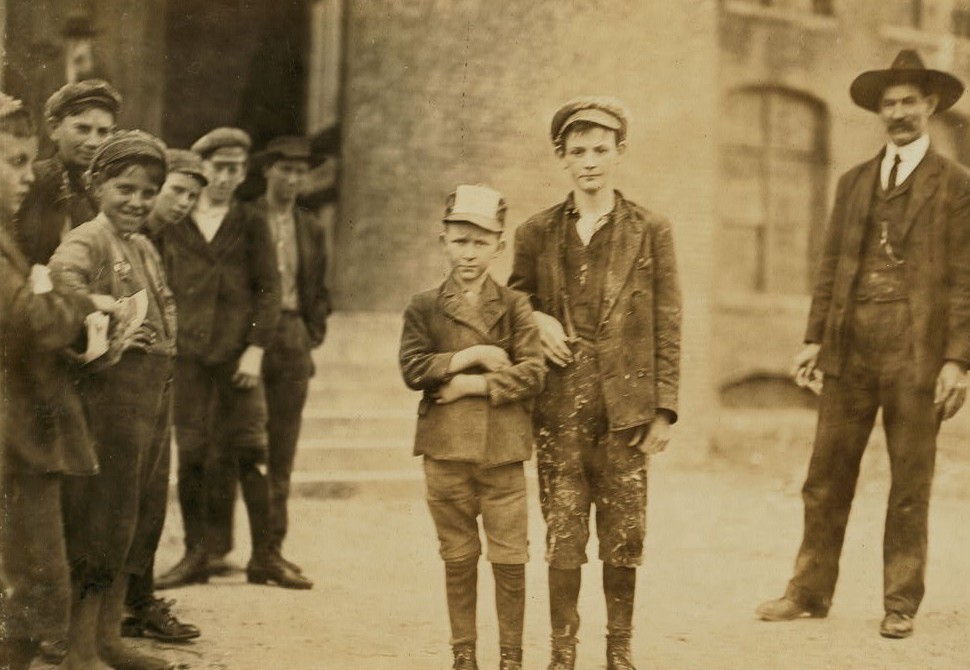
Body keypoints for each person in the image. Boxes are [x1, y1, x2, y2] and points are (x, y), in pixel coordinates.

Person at [755, 50, 970, 640]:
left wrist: (958, 360)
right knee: (824, 478)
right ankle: (807, 592)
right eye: (889, 103)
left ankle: (900, 602)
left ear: (930, 106)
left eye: (909, 102)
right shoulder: (853, 183)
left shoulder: (955, 186)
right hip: (850, 350)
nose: (898, 112)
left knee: (909, 484)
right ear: (880, 110)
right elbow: (830, 268)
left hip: (916, 354)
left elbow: (964, 277)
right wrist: (813, 339)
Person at [508, 97, 682, 670]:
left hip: (627, 407)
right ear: (562, 158)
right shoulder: (536, 232)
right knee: (563, 529)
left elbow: (668, 320)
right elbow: (515, 302)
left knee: (624, 531)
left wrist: (664, 409)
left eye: (601, 151)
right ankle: (563, 654)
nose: (590, 162)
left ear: (620, 154)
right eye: (577, 152)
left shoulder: (651, 229)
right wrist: (537, 319)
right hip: (559, 405)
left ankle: (619, 651)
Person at [400, 184, 545, 670]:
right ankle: (464, 657)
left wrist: (468, 387)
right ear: (443, 240)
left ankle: (511, 660)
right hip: (446, 453)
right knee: (458, 559)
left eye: (481, 242)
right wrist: (474, 355)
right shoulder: (424, 305)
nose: (469, 252)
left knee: (510, 561)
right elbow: (412, 367)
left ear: (499, 246)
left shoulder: (515, 306)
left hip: (502, 453)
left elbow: (533, 372)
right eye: (460, 240)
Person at [153, 128, 303, 590]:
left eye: (236, 169)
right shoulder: (175, 221)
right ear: (202, 167)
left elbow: (268, 290)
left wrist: (256, 350)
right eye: (219, 167)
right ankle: (197, 554)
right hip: (189, 360)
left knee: (251, 452)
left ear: (244, 174)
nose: (226, 177)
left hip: (239, 360)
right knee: (192, 453)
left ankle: (266, 557)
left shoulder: (249, 220)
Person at [49, 130, 177, 670]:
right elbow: (59, 288)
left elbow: (163, 308)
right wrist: (112, 322)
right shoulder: (88, 239)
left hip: (148, 406)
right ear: (97, 185)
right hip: (105, 404)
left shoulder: (143, 244)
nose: (137, 202)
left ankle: (109, 638)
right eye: (125, 188)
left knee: (131, 519)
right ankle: (78, 649)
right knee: (98, 521)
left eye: (148, 193)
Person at [0, 93, 98, 670]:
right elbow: (28, 318)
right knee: (37, 586)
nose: (25, 177)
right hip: (14, 437)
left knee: (33, 588)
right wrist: (80, 306)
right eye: (13, 162)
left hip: (20, 432)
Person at [119, 149, 209, 643]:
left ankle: (139, 600)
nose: (182, 204)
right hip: (121, 383)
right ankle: (115, 606)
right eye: (176, 191)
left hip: (159, 380)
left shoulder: (165, 243)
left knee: (152, 495)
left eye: (192, 198)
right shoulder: (121, 239)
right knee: (122, 497)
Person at [249, 136, 331, 583]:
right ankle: (208, 547)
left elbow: (319, 287)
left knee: (282, 450)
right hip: (251, 341)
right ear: (267, 171)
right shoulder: (246, 220)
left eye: (301, 172)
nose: (294, 179)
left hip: (293, 335)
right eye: (286, 170)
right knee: (245, 444)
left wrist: (310, 333)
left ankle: (270, 551)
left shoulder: (311, 226)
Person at [16, 79, 121, 264]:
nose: (93, 142)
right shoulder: (33, 181)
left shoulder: (102, 189)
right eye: (83, 129)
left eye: (103, 132)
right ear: (54, 128)